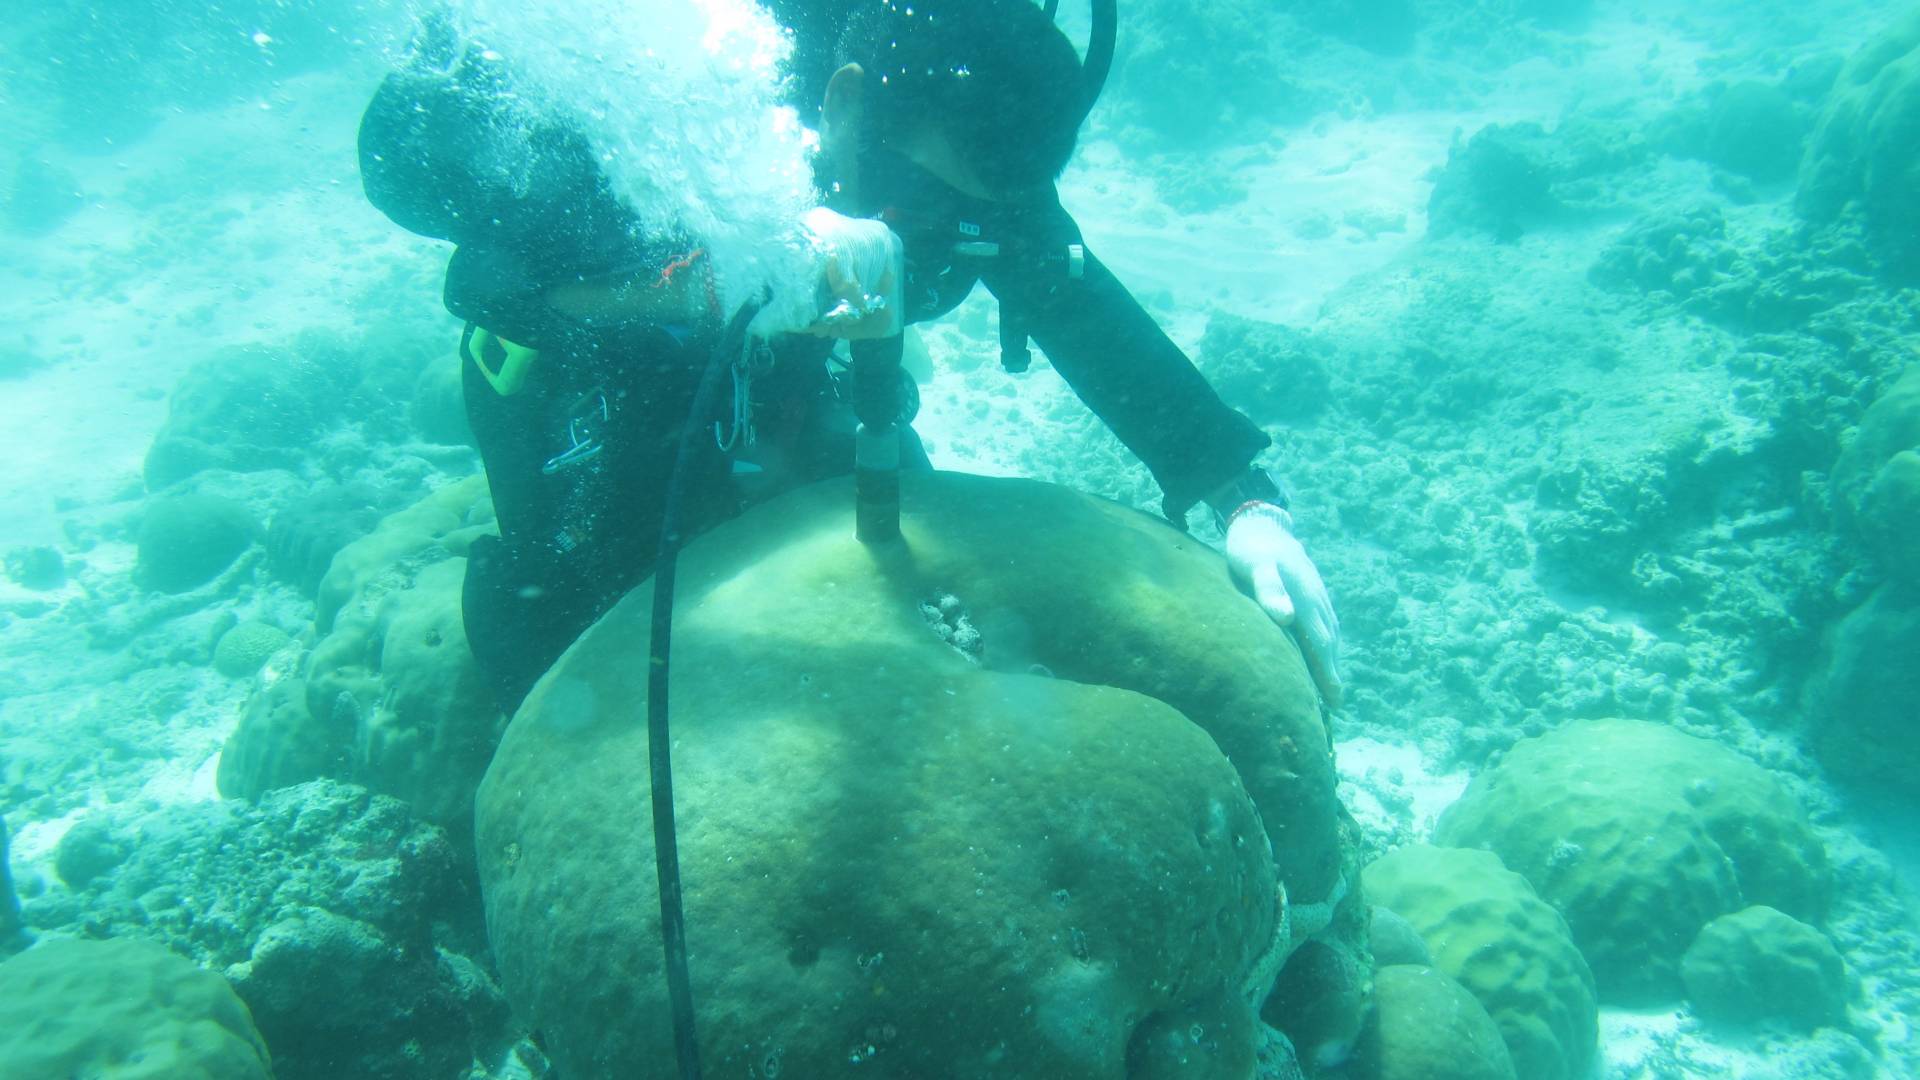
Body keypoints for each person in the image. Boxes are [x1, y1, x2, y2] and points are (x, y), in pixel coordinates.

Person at [357, 0, 1342, 713]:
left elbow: (1083, 312)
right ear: (847, 107)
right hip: (590, 370)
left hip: (782, 370)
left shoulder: (978, 134)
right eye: (927, 192)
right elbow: (484, 283)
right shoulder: (688, 96)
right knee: (567, 631)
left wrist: (1246, 501)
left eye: (984, 205)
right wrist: (707, 285)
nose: (944, 223)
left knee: (874, 519)